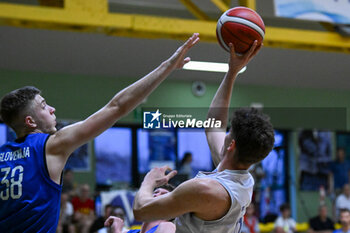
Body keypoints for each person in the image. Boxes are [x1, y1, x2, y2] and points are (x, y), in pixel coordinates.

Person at [0, 33, 200, 233]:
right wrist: (168, 66)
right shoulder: (51, 146)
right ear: (30, 121)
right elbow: (117, 107)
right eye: (43, 106)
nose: (52, 108)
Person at [133, 41, 275, 233]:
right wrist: (232, 72)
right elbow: (213, 125)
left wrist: (149, 181)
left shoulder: (205, 190)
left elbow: (141, 211)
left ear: (231, 144)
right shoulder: (243, 179)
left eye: (229, 131)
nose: (223, 132)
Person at [104, 184, 176, 233]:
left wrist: (116, 230)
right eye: (155, 192)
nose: (156, 195)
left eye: (164, 194)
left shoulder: (167, 227)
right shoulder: (130, 232)